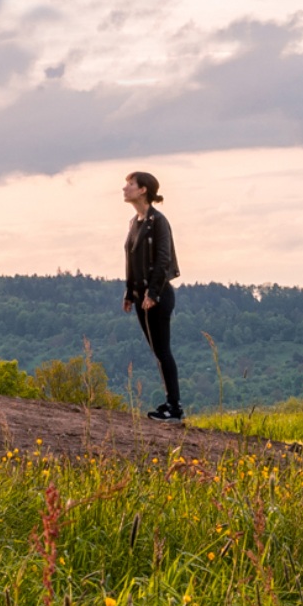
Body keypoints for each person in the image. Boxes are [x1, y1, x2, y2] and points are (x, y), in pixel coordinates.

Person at [122, 169, 183, 420]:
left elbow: (163, 258)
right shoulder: (134, 222)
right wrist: (129, 292)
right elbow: (132, 259)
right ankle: (171, 405)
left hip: (156, 295)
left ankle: (174, 407)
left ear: (143, 189)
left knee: (163, 351)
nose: (125, 188)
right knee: (158, 352)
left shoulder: (158, 221)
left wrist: (154, 293)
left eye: (130, 184)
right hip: (140, 297)